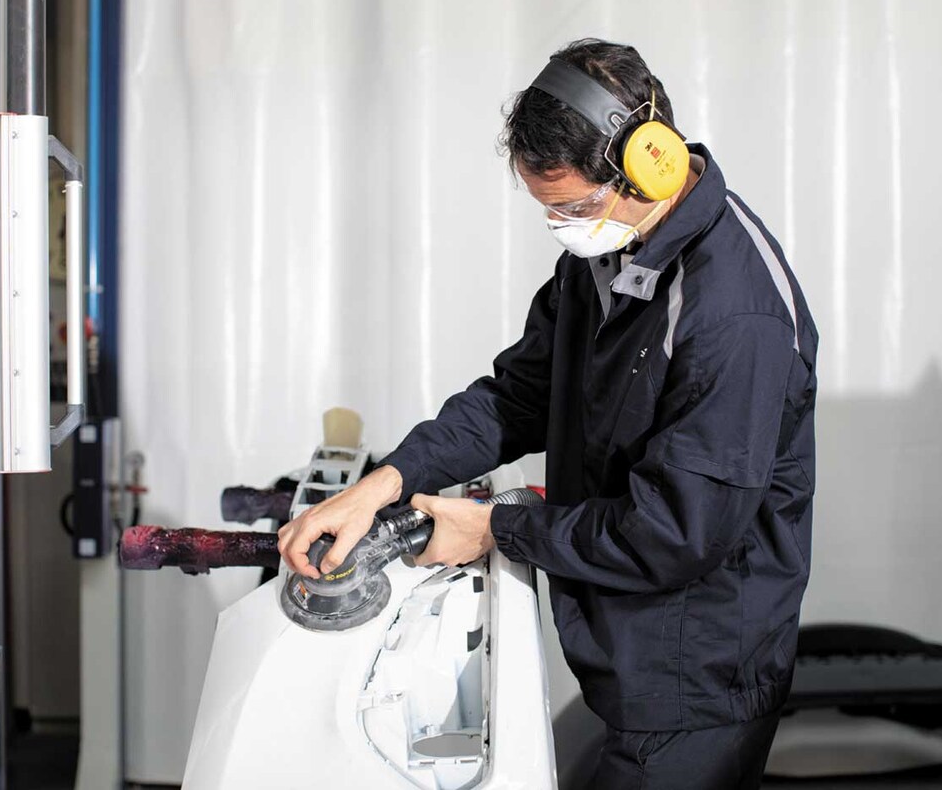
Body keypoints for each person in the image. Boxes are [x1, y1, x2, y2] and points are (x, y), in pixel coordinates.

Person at [277, 39, 817, 789]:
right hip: (633, 653)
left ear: (651, 165)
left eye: (575, 207)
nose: (564, 226)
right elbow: (519, 397)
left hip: (699, 678)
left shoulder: (734, 315)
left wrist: (497, 529)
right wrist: (386, 482)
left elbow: (675, 532)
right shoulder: (609, 254)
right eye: (550, 210)